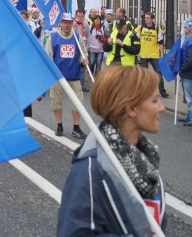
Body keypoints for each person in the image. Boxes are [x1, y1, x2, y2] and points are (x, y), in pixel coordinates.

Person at [57, 66, 167, 236]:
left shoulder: (146, 156)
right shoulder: (91, 168)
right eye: (154, 101)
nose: (162, 108)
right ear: (131, 108)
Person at [46, 13, 89, 139]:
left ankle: (76, 128)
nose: (67, 25)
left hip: (74, 75)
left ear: (72, 24)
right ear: (60, 23)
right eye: (65, 22)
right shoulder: (52, 37)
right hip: (58, 76)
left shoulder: (77, 37)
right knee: (56, 102)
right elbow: (48, 56)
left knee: (78, 102)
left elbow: (83, 53)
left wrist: (84, 59)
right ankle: (59, 125)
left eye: (69, 23)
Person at [138, 11, 169, 98]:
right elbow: (134, 39)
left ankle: (162, 91)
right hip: (143, 54)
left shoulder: (157, 29)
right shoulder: (140, 28)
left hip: (154, 55)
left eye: (148, 18)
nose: (146, 20)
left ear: (152, 19)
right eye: (145, 18)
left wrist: (162, 55)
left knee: (158, 73)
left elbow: (160, 43)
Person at [86, 13, 107, 78]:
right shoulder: (91, 27)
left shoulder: (103, 28)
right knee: (92, 62)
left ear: (100, 20)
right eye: (95, 20)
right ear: (94, 20)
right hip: (92, 48)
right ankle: (91, 72)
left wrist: (101, 38)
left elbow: (107, 37)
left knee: (98, 63)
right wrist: (88, 46)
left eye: (98, 19)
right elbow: (88, 37)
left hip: (100, 49)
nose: (97, 21)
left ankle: (97, 76)